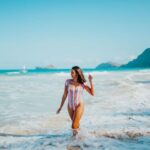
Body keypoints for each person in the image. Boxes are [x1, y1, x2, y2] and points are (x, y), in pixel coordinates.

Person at [56, 66, 94, 136]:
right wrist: (60, 107)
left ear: (77, 73)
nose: (70, 73)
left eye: (72, 72)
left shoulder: (83, 83)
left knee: (73, 125)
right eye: (71, 72)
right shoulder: (68, 82)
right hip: (70, 106)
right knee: (76, 124)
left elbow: (92, 93)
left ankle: (79, 139)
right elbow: (64, 95)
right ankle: (78, 139)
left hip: (79, 105)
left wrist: (91, 81)